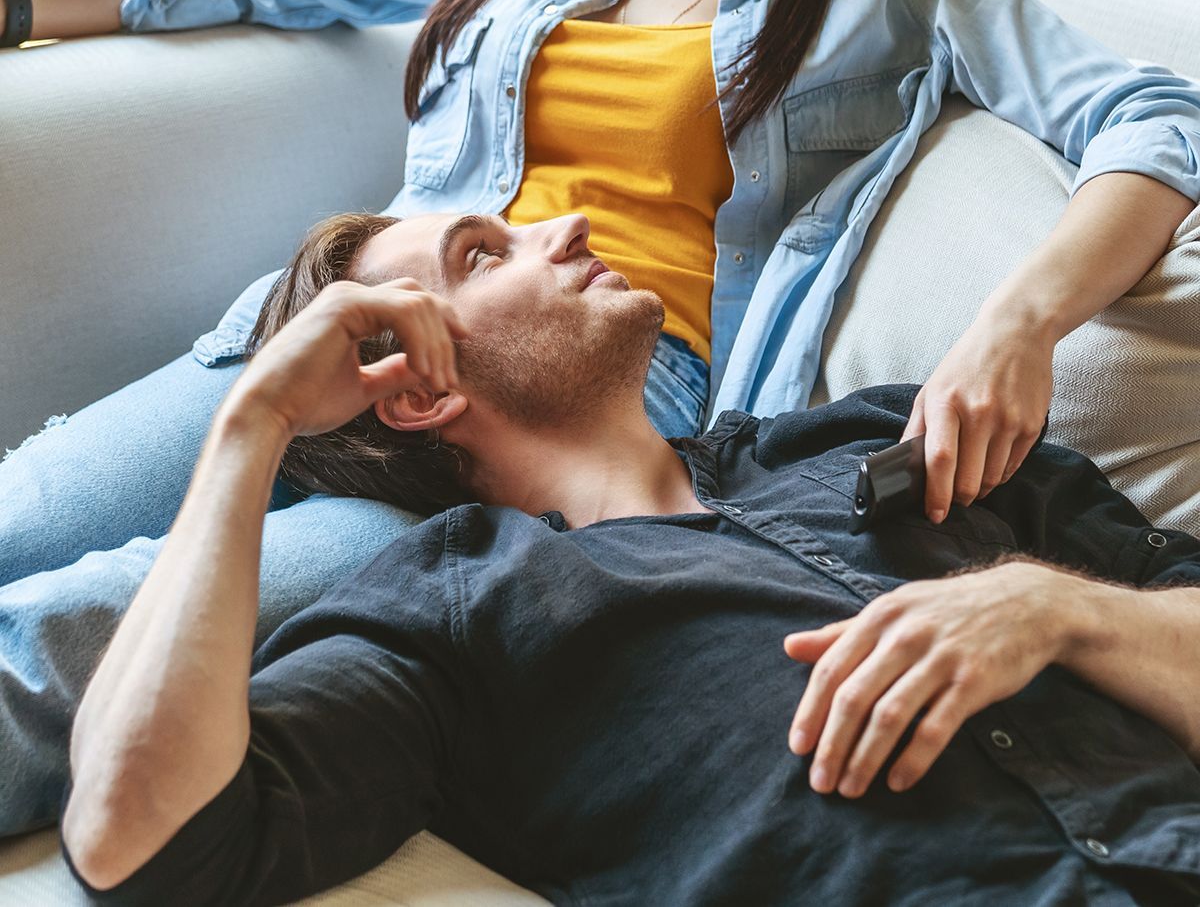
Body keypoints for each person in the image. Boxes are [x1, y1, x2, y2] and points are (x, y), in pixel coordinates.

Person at [2, 0, 1199, 835]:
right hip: (363, 329)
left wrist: (1017, 322)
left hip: (566, 420)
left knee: (69, 634)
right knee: (25, 517)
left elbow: (1153, 120)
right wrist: (18, 1)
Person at [61, 207, 1200, 906]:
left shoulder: (887, 433)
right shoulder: (453, 613)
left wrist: (1052, 610)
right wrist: (252, 426)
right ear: (412, 384)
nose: (567, 231)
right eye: (483, 253)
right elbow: (137, 838)